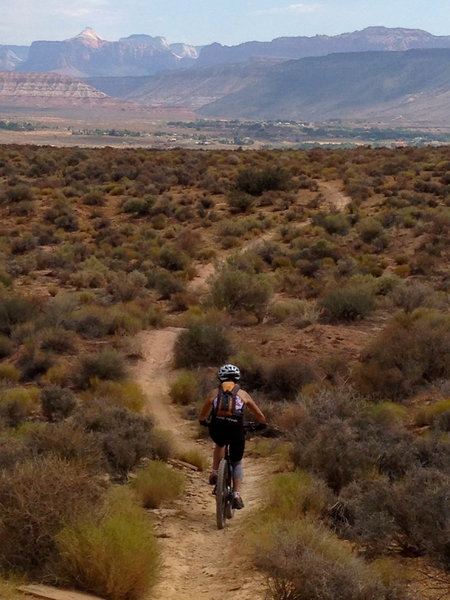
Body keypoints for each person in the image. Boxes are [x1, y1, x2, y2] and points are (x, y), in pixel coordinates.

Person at [198, 363, 266, 509]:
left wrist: (204, 421)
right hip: (236, 429)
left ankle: (215, 471)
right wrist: (261, 424)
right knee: (236, 462)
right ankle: (236, 494)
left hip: (218, 428)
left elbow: (202, 415)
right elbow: (260, 416)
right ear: (237, 378)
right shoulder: (243, 394)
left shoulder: (214, 393)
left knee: (220, 443)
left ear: (220, 378)